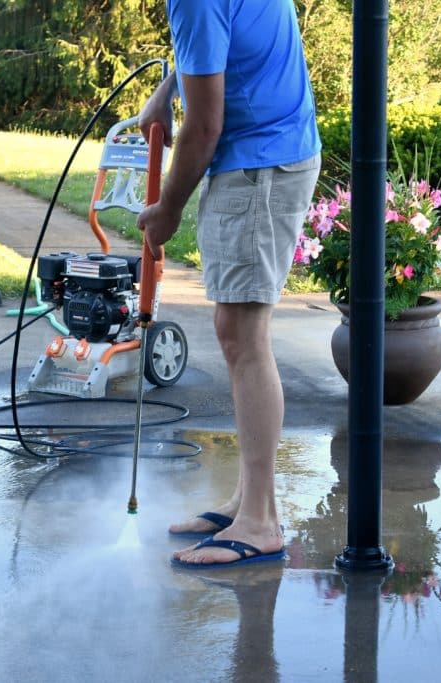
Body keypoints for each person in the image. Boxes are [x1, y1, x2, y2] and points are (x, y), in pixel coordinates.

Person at [137, 0, 321, 567]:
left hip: (258, 162)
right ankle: (248, 499)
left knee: (244, 335)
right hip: (270, 150)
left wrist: (166, 210)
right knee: (235, 329)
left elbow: (206, 125)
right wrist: (168, 87)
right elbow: (219, 42)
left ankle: (261, 521)